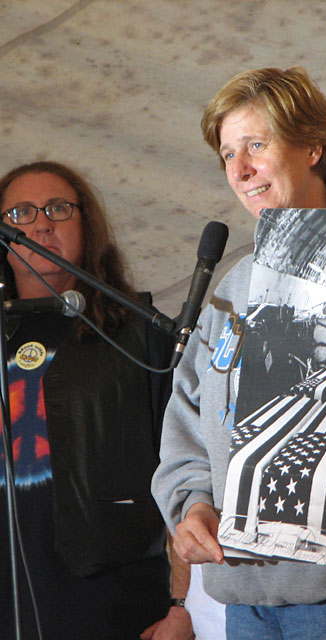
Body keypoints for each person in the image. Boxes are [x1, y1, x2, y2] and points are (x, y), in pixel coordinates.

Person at [152, 67, 326, 640]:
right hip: (246, 598)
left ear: (312, 147)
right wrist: (193, 504)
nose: (239, 170)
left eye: (255, 145)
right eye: (228, 154)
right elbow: (188, 414)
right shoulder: (235, 284)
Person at [0, 161, 193, 640]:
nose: (41, 224)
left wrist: (185, 605)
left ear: (86, 223)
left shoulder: (139, 332)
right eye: (20, 213)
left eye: (58, 209)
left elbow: (190, 471)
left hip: (112, 601)